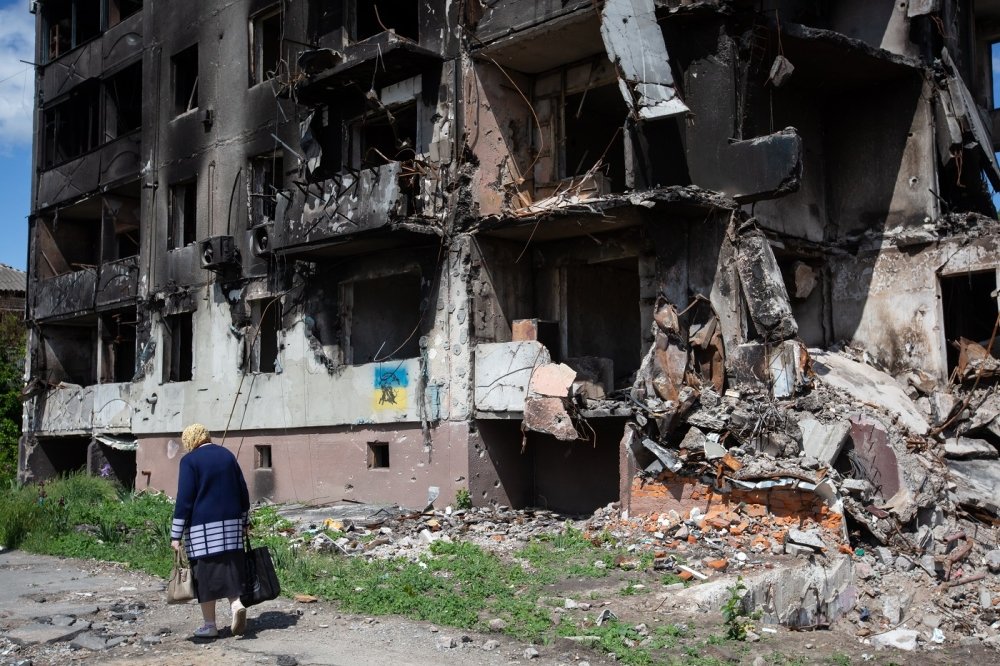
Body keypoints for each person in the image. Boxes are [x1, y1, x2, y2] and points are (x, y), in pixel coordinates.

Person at [170, 424, 251, 638]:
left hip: (203, 531)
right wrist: (244, 522)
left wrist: (175, 534)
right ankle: (236, 605)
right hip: (232, 527)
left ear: (190, 440)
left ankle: (210, 625)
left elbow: (185, 499)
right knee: (229, 568)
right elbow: (243, 491)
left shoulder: (190, 461)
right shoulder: (227, 455)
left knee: (205, 576)